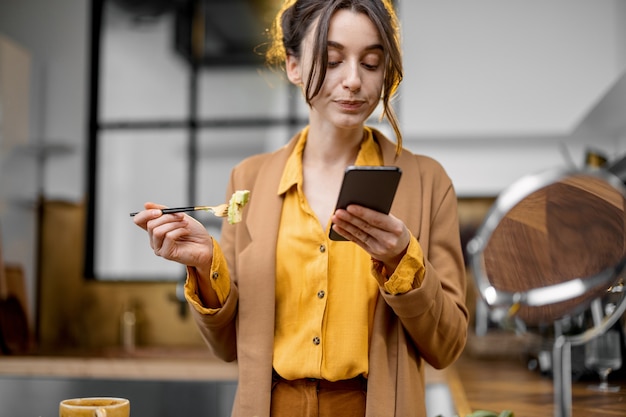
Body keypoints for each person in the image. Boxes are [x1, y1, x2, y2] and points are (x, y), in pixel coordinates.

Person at [133, 1, 468, 416]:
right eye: (331, 60)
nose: (352, 81)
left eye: (370, 63)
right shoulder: (249, 180)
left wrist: (403, 259)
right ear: (293, 66)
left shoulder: (427, 182)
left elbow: (448, 345)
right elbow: (227, 347)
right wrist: (205, 267)